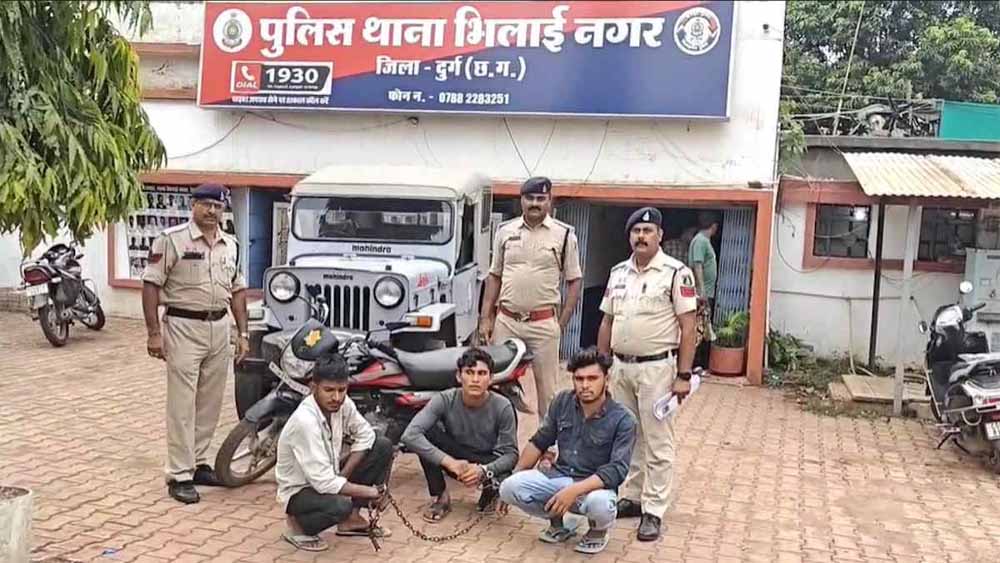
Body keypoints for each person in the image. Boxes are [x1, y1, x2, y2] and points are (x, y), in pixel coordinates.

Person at [142, 183, 249, 504]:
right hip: (183, 327)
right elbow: (151, 285)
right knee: (182, 404)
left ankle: (199, 462)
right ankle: (179, 474)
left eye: (217, 206)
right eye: (205, 204)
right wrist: (153, 332)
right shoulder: (171, 240)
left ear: (223, 209)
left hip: (219, 328)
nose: (211, 211)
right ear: (194, 206)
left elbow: (238, 291)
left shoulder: (231, 245)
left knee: (210, 402)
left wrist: (243, 334)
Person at [597, 207, 698, 542]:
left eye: (648, 230)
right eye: (636, 231)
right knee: (628, 434)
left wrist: (683, 374)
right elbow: (607, 321)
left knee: (657, 440)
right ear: (630, 236)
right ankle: (634, 496)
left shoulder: (676, 273)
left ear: (660, 236)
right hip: (621, 368)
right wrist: (601, 366)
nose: (641, 236)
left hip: (657, 369)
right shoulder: (618, 273)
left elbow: (688, 327)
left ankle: (653, 509)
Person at [498, 348, 636, 555]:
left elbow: (617, 470)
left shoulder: (623, 419)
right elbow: (540, 441)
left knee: (600, 504)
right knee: (509, 487)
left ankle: (597, 532)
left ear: (606, 380)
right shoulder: (562, 401)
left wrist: (574, 491)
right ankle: (557, 524)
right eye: (579, 379)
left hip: (593, 488)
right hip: (559, 477)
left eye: (592, 378)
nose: (585, 385)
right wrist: (513, 476)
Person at [479, 176, 583, 423]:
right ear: (521, 200)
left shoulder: (564, 235)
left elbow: (575, 280)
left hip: (543, 324)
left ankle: (548, 444)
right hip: (507, 321)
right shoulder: (505, 231)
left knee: (548, 394)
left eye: (541, 198)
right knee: (498, 388)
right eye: (530, 198)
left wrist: (562, 322)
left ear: (549, 201)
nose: (535, 203)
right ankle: (501, 442)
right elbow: (494, 275)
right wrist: (486, 318)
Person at [275, 354, 394, 552]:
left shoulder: (342, 404)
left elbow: (366, 435)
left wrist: (343, 476)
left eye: (342, 390)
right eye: (329, 390)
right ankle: (298, 528)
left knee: (382, 445)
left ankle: (351, 520)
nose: (336, 397)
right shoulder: (305, 421)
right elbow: (324, 483)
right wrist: (373, 492)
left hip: (327, 476)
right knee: (340, 506)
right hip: (300, 491)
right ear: (313, 387)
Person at [401, 348, 518, 523]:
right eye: (469, 372)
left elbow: (511, 454)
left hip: (486, 460)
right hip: (456, 456)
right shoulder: (445, 399)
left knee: (505, 470)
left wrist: (483, 470)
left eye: (482, 373)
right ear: (459, 376)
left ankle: (490, 491)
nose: (475, 379)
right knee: (427, 434)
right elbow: (410, 435)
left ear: (491, 378)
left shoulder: (503, 406)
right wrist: (451, 463)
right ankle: (440, 497)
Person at [689, 211, 720, 369]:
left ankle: (700, 364)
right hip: (702, 294)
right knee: (700, 329)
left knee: (704, 328)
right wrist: (701, 291)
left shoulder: (703, 241)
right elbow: (697, 265)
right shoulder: (701, 241)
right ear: (714, 226)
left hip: (706, 292)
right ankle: (696, 363)